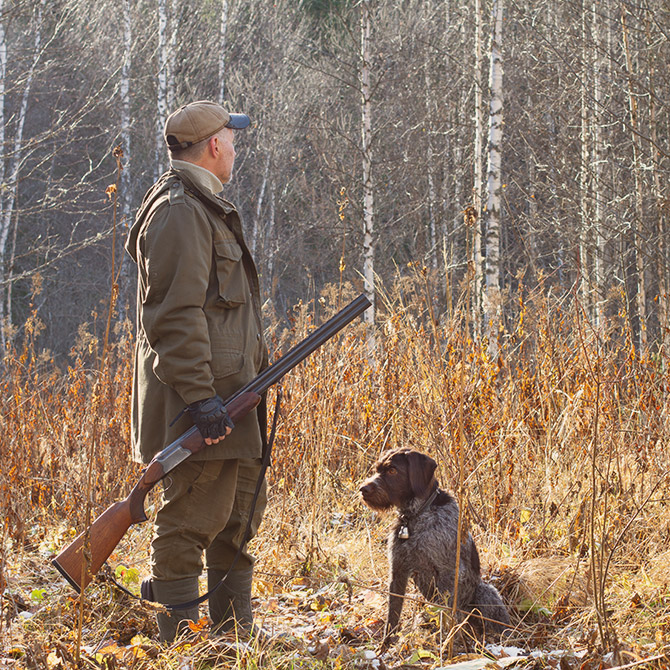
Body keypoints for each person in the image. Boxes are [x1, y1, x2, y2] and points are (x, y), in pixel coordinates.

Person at [125, 100, 268, 643]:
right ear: (213, 145)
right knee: (188, 523)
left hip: (230, 399)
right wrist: (203, 400)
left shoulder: (202, 206)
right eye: (231, 139)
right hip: (202, 405)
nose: (235, 147)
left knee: (233, 527)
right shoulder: (181, 211)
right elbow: (174, 316)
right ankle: (179, 645)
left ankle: (233, 642)